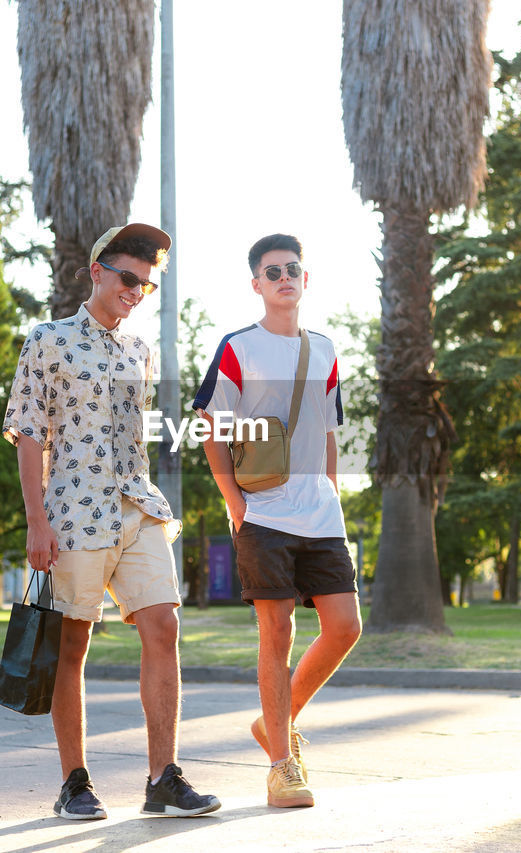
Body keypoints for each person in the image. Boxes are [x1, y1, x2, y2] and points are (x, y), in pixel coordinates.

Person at [3, 223, 220, 820]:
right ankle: (74, 782)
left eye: (146, 285)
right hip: (73, 509)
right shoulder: (47, 340)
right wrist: (36, 521)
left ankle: (163, 778)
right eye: (129, 278)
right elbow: (28, 432)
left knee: (164, 627)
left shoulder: (139, 352)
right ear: (98, 270)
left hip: (138, 506)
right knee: (73, 646)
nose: (136, 291)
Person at [192, 233, 363, 809]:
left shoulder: (327, 349)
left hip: (320, 515)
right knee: (278, 632)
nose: (284, 277)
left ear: (305, 279)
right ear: (257, 285)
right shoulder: (238, 347)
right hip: (263, 512)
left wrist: (333, 497)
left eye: (293, 268)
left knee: (344, 627)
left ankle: (274, 721)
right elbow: (211, 430)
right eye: (273, 271)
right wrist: (234, 506)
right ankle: (281, 765)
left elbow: (330, 432)